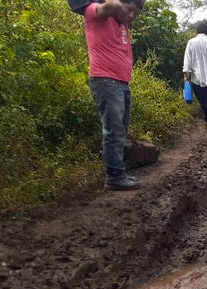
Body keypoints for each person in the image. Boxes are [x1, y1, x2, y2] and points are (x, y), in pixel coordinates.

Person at [85, 0, 144, 191]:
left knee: (121, 131)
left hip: (121, 82)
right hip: (106, 80)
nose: (131, 16)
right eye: (130, 11)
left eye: (136, 13)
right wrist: (116, 4)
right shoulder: (96, 14)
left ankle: (119, 172)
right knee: (113, 131)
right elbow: (105, 7)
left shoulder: (124, 23)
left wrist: (133, 7)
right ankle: (114, 176)